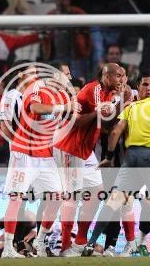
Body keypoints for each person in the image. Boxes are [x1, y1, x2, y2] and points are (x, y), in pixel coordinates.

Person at [82, 75, 150, 257]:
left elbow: (115, 131)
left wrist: (108, 157)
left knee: (115, 200)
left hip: (131, 157)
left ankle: (90, 243)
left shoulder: (133, 106)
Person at [1, 63, 80, 258]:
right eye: (66, 74)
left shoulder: (63, 96)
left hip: (45, 155)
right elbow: (35, 107)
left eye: (70, 74)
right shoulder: (37, 86)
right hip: (24, 153)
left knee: (57, 197)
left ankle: (40, 239)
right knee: (16, 198)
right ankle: (8, 248)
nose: (69, 78)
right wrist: (66, 107)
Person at [52, 63, 129, 257]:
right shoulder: (93, 90)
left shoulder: (109, 94)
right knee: (72, 196)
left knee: (96, 192)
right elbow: (75, 120)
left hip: (85, 150)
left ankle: (80, 241)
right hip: (69, 145)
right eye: (118, 76)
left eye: (123, 76)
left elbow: (109, 124)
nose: (121, 79)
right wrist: (98, 112)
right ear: (106, 76)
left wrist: (121, 102)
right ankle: (64, 247)